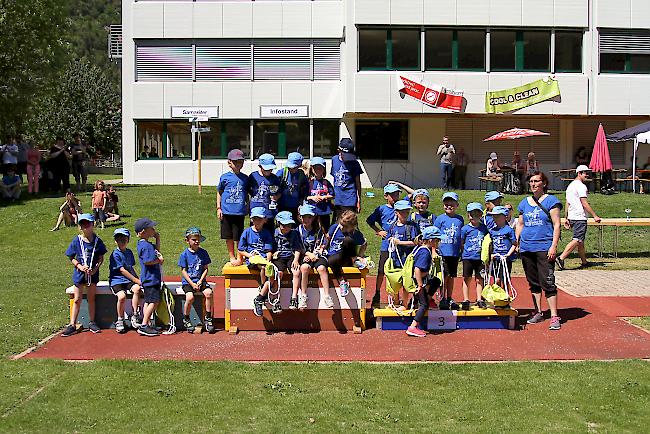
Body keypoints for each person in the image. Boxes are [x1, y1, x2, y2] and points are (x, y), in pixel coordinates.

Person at [516, 171, 562, 331]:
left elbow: (557, 224)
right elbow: (520, 224)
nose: (534, 184)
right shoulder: (524, 203)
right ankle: (538, 311)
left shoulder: (551, 201)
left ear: (544, 183)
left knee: (548, 282)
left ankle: (554, 315)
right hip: (527, 247)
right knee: (533, 282)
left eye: (537, 181)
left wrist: (553, 246)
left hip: (544, 247)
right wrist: (516, 242)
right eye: (531, 181)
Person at [61, 213, 107, 337]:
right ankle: (72, 324)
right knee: (77, 299)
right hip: (79, 274)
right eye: (82, 224)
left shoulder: (97, 241)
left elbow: (101, 258)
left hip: (92, 274)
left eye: (88, 224)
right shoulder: (77, 240)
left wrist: (95, 269)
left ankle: (92, 322)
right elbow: (71, 257)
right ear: (80, 227)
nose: (85, 227)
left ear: (93, 225)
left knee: (91, 298)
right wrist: (80, 266)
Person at [557, 165, 601, 269]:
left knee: (580, 241)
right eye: (585, 173)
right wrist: (595, 216)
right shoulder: (581, 186)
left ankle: (584, 262)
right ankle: (561, 258)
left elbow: (567, 202)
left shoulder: (570, 186)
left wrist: (566, 217)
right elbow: (584, 203)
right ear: (579, 173)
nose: (587, 175)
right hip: (580, 217)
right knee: (577, 239)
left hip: (572, 216)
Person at [405, 226, 445, 338]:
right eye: (437, 240)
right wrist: (420, 285)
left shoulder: (420, 248)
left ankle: (426, 297)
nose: (439, 242)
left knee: (436, 281)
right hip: (418, 282)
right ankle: (413, 327)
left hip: (420, 280)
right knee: (424, 305)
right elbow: (417, 270)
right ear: (431, 240)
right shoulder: (425, 253)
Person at [366, 183, 401, 307]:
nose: (396, 197)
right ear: (386, 196)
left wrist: (399, 183)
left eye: (397, 194)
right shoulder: (381, 209)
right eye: (393, 195)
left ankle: (396, 296)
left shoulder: (401, 207)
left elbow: (413, 194)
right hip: (386, 245)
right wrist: (378, 231)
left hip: (399, 245)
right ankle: (377, 293)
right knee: (381, 271)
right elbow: (369, 220)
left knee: (397, 271)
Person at [178, 227, 215, 333]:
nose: (197, 241)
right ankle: (186, 318)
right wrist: (192, 283)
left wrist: (200, 281)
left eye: (198, 239)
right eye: (194, 239)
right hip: (188, 282)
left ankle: (208, 318)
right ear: (187, 241)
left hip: (200, 281)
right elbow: (183, 271)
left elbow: (206, 269)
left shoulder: (203, 253)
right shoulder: (184, 254)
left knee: (208, 293)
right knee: (189, 298)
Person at [297, 204, 333, 308]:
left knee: (322, 268)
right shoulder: (298, 230)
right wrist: (308, 254)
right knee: (304, 268)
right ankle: (303, 295)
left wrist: (315, 254)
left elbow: (322, 245)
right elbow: (297, 246)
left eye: (308, 217)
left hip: (318, 255)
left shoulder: (318, 230)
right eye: (303, 217)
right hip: (305, 256)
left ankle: (327, 296)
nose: (306, 220)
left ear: (313, 217)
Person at [240, 207, 275, 316]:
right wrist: (249, 255)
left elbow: (269, 250)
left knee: (270, 269)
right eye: (255, 219)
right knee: (264, 268)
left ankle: (261, 295)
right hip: (253, 260)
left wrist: (268, 258)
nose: (257, 222)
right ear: (251, 220)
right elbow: (241, 250)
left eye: (259, 219)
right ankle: (263, 287)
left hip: (263, 259)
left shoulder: (266, 233)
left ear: (265, 220)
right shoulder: (247, 232)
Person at [385, 200, 419, 309]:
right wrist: (391, 241)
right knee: (394, 279)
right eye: (402, 212)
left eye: (406, 212)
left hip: (407, 259)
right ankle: (395, 300)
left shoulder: (412, 226)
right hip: (396, 258)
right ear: (396, 213)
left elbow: (415, 242)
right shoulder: (393, 226)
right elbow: (388, 239)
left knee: (406, 281)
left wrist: (400, 242)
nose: (404, 214)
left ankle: (404, 303)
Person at [217, 149, 249, 266]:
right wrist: (219, 208)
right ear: (229, 163)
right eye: (235, 162)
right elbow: (219, 192)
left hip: (239, 212)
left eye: (240, 162)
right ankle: (232, 256)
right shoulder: (225, 177)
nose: (238, 164)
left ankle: (240, 257)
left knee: (239, 236)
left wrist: (247, 205)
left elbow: (246, 193)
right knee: (228, 236)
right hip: (226, 211)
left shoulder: (245, 178)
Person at [325, 210, 368, 297]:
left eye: (345, 226)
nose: (342, 227)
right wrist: (322, 248)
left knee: (348, 240)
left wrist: (360, 255)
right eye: (341, 224)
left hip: (347, 258)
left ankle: (355, 260)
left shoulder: (355, 234)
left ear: (352, 226)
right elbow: (327, 239)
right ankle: (342, 282)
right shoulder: (335, 227)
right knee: (330, 260)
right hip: (333, 258)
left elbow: (364, 242)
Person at [108, 228, 143, 334]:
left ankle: (135, 315)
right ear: (115, 241)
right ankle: (120, 319)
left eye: (124, 239)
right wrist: (135, 279)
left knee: (137, 289)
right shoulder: (115, 254)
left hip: (128, 280)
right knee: (122, 296)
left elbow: (130, 268)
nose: (121, 241)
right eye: (118, 239)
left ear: (128, 240)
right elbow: (122, 270)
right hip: (117, 280)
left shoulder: (129, 252)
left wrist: (138, 280)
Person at [434, 192, 464, 310]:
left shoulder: (460, 219)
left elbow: (461, 236)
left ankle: (449, 297)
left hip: (454, 253)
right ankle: (442, 298)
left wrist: (462, 250)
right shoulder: (440, 219)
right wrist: (434, 250)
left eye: (451, 204)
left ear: (457, 205)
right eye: (446, 204)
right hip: (443, 253)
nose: (448, 206)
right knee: (443, 276)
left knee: (451, 276)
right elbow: (434, 236)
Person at [135, 217, 164, 337]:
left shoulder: (146, 244)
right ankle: (144, 325)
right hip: (151, 278)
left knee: (148, 301)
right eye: (151, 228)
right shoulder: (145, 246)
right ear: (143, 232)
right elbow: (148, 261)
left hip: (149, 278)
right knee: (154, 301)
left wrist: (157, 239)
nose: (154, 230)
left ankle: (146, 322)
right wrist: (158, 261)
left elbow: (156, 251)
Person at [271, 211, 303, 311]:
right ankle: (276, 300)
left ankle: (294, 298)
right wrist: (273, 253)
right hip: (279, 257)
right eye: (284, 225)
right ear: (278, 223)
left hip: (290, 256)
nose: (287, 228)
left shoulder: (294, 233)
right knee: (278, 274)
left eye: (289, 225)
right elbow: (269, 248)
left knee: (296, 271)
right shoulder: (274, 233)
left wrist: (296, 260)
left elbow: (297, 248)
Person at [460, 202, 488, 310]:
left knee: (480, 279)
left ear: (481, 215)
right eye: (472, 214)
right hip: (468, 257)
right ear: (468, 215)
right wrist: (464, 253)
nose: (474, 217)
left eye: (477, 214)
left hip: (480, 258)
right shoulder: (465, 229)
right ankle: (466, 299)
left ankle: (479, 299)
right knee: (467, 278)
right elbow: (462, 243)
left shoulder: (484, 228)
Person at [248, 153, 283, 233]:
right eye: (266, 169)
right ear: (260, 166)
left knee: (269, 232)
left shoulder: (274, 179)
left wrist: (276, 197)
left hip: (269, 211)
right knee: (255, 231)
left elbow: (279, 192)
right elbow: (248, 190)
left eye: (270, 169)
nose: (269, 171)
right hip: (255, 210)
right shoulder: (253, 176)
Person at [331, 138, 363, 219]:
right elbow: (334, 178)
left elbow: (358, 183)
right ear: (339, 151)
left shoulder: (354, 163)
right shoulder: (334, 160)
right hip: (338, 199)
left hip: (350, 199)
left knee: (348, 223)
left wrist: (358, 200)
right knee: (337, 224)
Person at [277, 152, 309, 222]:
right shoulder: (282, 173)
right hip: (282, 205)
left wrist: (302, 202)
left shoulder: (301, 175)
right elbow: (274, 186)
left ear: (299, 166)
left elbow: (306, 189)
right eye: (289, 167)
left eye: (294, 168)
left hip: (295, 205)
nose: (291, 169)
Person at [306, 156, 334, 232]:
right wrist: (312, 198)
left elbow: (332, 195)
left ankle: (325, 242)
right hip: (312, 211)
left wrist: (325, 197)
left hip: (324, 211)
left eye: (320, 168)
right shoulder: (309, 183)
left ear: (324, 170)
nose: (318, 170)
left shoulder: (326, 182)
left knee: (325, 229)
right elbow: (305, 197)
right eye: (315, 168)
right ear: (312, 169)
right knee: (313, 229)